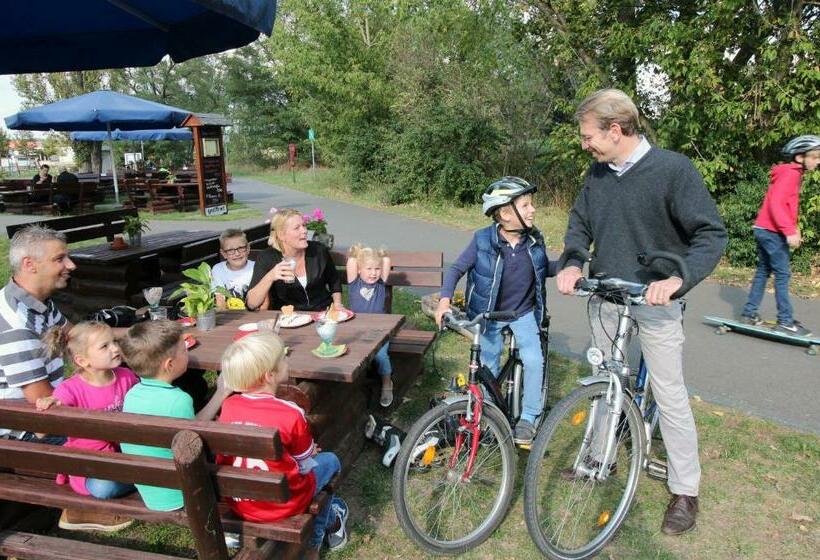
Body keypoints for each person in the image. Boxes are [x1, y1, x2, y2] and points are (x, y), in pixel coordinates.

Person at [555, 88, 727, 536]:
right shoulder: (598, 174)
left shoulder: (672, 170)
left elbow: (711, 234)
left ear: (616, 129)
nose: (584, 143)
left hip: (656, 301)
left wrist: (677, 280)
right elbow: (579, 223)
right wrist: (573, 261)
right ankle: (598, 460)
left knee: (669, 392)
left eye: (588, 135)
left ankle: (685, 489)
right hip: (608, 296)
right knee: (604, 381)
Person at [435, 176, 553, 446]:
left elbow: (545, 268)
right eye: (525, 206)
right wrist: (444, 301)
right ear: (504, 213)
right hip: (489, 315)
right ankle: (487, 416)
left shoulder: (534, 241)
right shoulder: (482, 240)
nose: (533, 210)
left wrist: (571, 266)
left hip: (522, 313)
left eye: (531, 204)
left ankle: (529, 417)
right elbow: (456, 269)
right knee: (487, 367)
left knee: (534, 361)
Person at [216, 332, 348, 557]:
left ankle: (328, 525)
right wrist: (309, 454)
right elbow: (304, 464)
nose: (287, 361)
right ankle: (317, 541)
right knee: (331, 462)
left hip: (242, 502)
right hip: (283, 503)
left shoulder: (228, 406)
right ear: (270, 375)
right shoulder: (291, 414)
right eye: (283, 358)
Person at [36, 322, 138, 506]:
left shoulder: (126, 376)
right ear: (82, 360)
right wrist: (51, 403)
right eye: (105, 346)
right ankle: (145, 479)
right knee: (104, 488)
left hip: (125, 452)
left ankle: (144, 477)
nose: (115, 348)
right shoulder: (71, 388)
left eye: (114, 342)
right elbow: (45, 424)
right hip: (90, 463)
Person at [0, 225, 75, 442]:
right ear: (29, 264)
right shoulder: (17, 325)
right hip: (25, 435)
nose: (71, 265)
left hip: (44, 416)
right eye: (60, 259)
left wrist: (139, 333)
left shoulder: (35, 301)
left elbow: (75, 334)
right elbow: (44, 402)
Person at [740, 135, 820, 336]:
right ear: (800, 157)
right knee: (782, 275)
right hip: (772, 232)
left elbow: (784, 204)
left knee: (763, 271)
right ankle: (785, 320)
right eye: (815, 157)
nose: (818, 161)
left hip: (763, 228)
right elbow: (776, 204)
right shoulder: (791, 175)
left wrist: (793, 227)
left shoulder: (789, 173)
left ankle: (749, 313)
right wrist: (788, 231)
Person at [118, 320, 192, 512]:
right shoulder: (179, 400)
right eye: (184, 351)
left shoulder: (132, 395)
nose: (187, 354)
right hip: (182, 493)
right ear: (169, 364)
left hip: (151, 492)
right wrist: (221, 394)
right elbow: (195, 447)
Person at [246, 209, 345, 312]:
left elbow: (334, 281)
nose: (304, 231)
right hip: (288, 318)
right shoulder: (267, 257)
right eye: (297, 228)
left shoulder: (318, 250)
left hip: (322, 313)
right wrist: (271, 276)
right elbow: (251, 304)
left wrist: (337, 304)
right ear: (281, 235)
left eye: (304, 225)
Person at [346, 244, 393, 406]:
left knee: (381, 355)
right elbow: (352, 262)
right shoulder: (354, 283)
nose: (373, 273)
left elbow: (386, 260)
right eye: (369, 269)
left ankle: (387, 382)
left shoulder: (381, 283)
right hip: (357, 329)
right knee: (349, 352)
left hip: (379, 330)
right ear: (359, 269)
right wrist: (357, 252)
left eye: (377, 269)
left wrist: (381, 254)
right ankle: (352, 385)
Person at [212, 229, 255, 310]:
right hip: (229, 316)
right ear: (224, 254)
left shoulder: (256, 267)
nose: (237, 253)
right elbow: (220, 300)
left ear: (248, 248)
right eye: (230, 250)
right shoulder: (218, 270)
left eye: (241, 248)